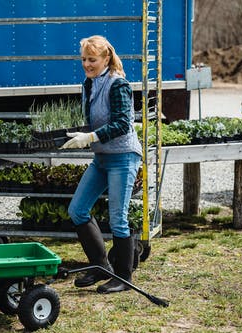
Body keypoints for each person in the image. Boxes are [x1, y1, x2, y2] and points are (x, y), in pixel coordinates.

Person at [61, 35, 142, 294]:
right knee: (77, 210)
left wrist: (91, 137)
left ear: (106, 58)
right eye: (84, 59)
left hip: (123, 157)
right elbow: (92, 119)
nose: (87, 64)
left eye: (92, 60)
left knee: (118, 218)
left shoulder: (118, 85)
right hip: (102, 158)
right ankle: (100, 266)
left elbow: (122, 124)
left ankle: (123, 278)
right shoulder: (89, 83)